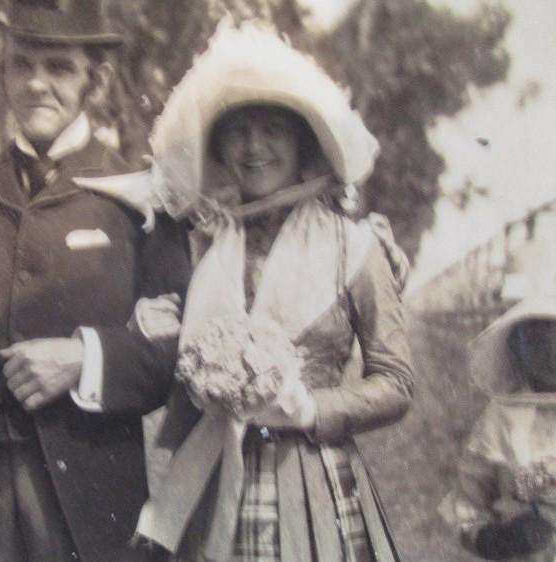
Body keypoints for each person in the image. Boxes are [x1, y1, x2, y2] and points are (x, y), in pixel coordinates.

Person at [0, 2, 191, 561]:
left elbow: (175, 354)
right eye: (21, 64)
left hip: (89, 496)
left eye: (58, 67)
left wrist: (86, 359)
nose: (36, 84)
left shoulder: (140, 199)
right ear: (2, 74)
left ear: (94, 81)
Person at [131, 21, 414, 562]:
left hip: (313, 480)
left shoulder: (353, 244)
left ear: (302, 139)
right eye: (238, 130)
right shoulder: (204, 245)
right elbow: (177, 378)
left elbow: (396, 382)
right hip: (213, 481)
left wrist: (310, 408)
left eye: (273, 129)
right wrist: (148, 327)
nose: (254, 147)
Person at [440, 296, 556, 561]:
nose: (550, 352)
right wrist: (490, 539)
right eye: (536, 341)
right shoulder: (500, 418)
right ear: (517, 347)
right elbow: (469, 498)